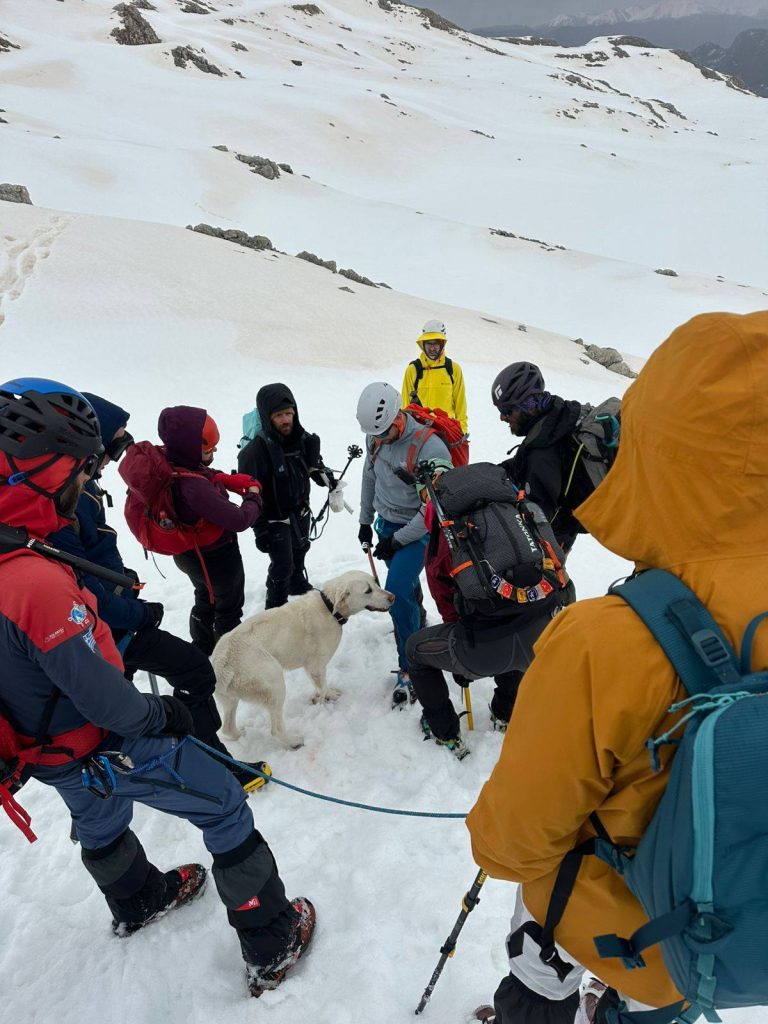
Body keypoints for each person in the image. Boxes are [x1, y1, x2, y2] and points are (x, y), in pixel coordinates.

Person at [466, 311, 768, 1023]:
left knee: (543, 904)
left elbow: (510, 842)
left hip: (638, 928)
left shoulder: (607, 642)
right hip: (737, 926)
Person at [0, 378, 315, 997]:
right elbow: (106, 701)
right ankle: (271, 937)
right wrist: (162, 713)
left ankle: (139, 897)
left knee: (97, 817)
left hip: (46, 750)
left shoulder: (15, 555)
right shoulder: (34, 583)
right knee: (222, 803)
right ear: (44, 472)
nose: (88, 483)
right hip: (98, 742)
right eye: (81, 469)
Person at [48, 392, 267, 792]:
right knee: (196, 671)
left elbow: (89, 557)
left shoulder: (82, 490)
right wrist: (136, 614)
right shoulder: (65, 502)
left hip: (111, 619)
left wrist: (121, 578)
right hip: (109, 626)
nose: (120, 453)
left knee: (117, 703)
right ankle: (214, 765)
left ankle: (106, 796)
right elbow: (79, 585)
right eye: (115, 443)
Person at [407, 461, 574, 758]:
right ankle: (505, 713)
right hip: (544, 637)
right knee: (518, 619)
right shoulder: (518, 516)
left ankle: (444, 732)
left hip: (483, 650)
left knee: (415, 650)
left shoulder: (452, 535)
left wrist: (457, 642)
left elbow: (443, 594)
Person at [356, 382, 451, 708]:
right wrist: (365, 521)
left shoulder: (431, 448)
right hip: (386, 525)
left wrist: (398, 540)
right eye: (374, 435)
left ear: (398, 417)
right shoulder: (376, 436)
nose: (377, 441)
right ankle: (415, 616)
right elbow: (370, 477)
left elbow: (432, 511)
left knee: (394, 593)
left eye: (383, 433)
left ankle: (410, 668)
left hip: (418, 531)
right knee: (406, 592)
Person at [157, 405, 261, 655]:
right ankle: (230, 659)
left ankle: (202, 649)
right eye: (207, 450)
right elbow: (237, 520)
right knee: (228, 608)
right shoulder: (193, 488)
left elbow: (203, 471)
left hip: (190, 554)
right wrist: (254, 497)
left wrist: (225, 479)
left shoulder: (171, 460)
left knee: (205, 597)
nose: (212, 455)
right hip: (214, 558)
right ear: (190, 447)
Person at [238, 383, 335, 610]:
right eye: (279, 415)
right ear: (266, 416)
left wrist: (330, 481)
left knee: (301, 549)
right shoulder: (255, 451)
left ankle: (297, 582)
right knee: (282, 566)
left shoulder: (301, 439)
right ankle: (275, 610)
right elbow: (249, 493)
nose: (285, 420)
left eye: (289, 413)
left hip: (300, 508)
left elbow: (314, 468)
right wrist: (259, 530)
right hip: (273, 517)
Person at [491, 362, 583, 556]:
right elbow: (520, 463)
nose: (502, 417)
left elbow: (537, 524)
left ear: (529, 405)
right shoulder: (556, 417)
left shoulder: (544, 452)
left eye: (507, 410)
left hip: (555, 541)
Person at [401, 318, 468, 436]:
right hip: (419, 432)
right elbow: (405, 405)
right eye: (428, 344)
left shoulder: (453, 369)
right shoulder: (413, 370)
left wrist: (462, 431)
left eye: (436, 344)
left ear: (442, 344)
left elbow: (460, 405)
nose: (432, 348)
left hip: (447, 432)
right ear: (423, 345)